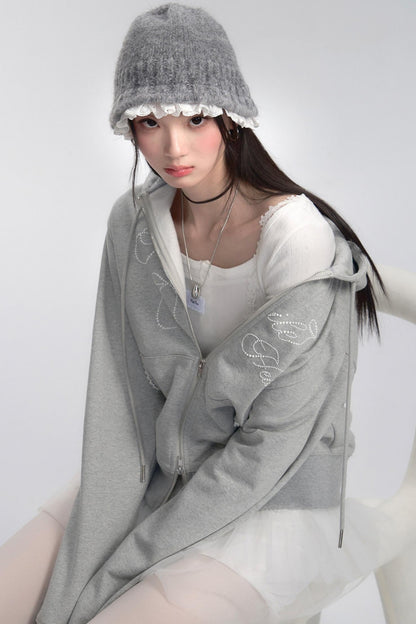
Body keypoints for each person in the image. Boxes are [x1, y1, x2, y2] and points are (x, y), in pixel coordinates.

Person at [0, 4, 410, 624]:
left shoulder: (296, 240)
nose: (173, 146)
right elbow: (119, 396)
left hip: (276, 499)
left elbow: (275, 444)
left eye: (194, 118)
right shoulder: (134, 224)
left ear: (229, 114)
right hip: (158, 474)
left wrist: (125, 560)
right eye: (149, 121)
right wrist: (108, 520)